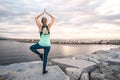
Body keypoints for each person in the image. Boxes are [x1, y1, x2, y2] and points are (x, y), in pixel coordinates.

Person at [29, 9, 55, 74]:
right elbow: (53, 18)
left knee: (31, 47)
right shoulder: (49, 26)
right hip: (48, 45)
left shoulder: (40, 27)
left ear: (41, 21)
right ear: (46, 21)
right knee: (45, 59)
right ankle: (44, 71)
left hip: (41, 44)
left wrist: (42, 13)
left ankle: (40, 54)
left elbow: (35, 18)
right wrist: (47, 13)